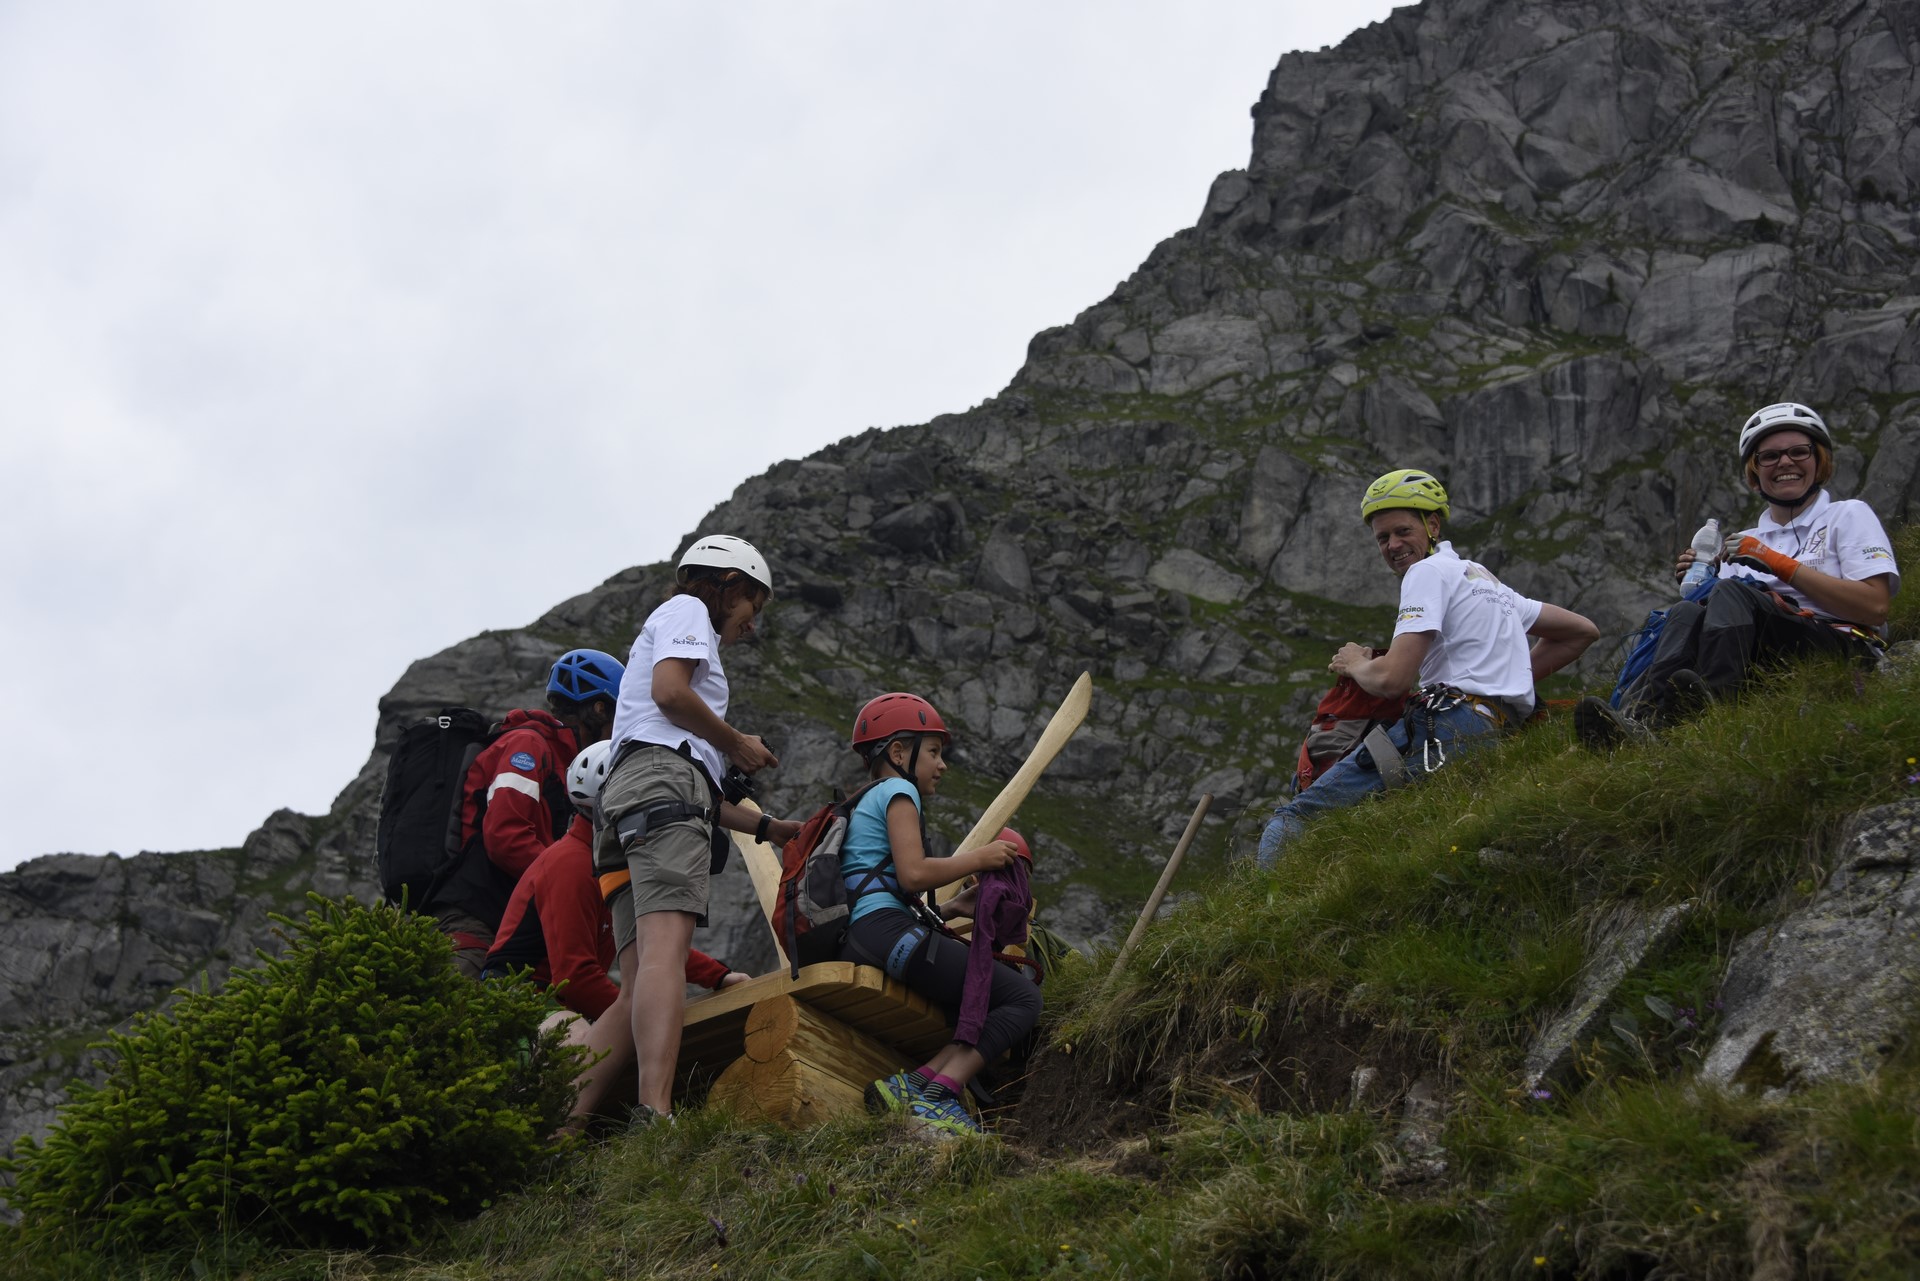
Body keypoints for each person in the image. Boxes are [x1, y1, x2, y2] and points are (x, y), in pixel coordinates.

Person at [1256, 469, 1598, 865]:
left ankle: (1258, 911)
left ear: (1432, 524)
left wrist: (1354, 664)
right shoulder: (1481, 578)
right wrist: (1502, 680)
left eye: (1402, 531)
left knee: (1295, 816)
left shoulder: (1425, 573)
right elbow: (1581, 632)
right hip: (1498, 732)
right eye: (1382, 538)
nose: (1393, 545)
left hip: (1448, 724)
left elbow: (1392, 680)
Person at [593, 534, 803, 1125]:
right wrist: (735, 742)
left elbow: (691, 791)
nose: (751, 624)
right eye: (751, 607)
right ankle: (655, 1113)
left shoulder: (665, 626)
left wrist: (769, 828)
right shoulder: (689, 611)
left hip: (627, 796)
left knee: (635, 984)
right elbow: (671, 695)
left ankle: (559, 1120)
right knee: (667, 954)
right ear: (727, 586)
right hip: (663, 787)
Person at [1577, 402, 1900, 746]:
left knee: (1732, 593)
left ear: (1819, 460)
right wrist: (1697, 587)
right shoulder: (1742, 543)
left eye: (1799, 452)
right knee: (1685, 611)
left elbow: (1875, 607)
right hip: (1763, 654)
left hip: (1844, 645)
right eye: (1770, 457)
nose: (1785, 463)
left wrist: (1779, 564)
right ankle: (1645, 722)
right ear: (1754, 472)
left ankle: (1717, 713)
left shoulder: (1847, 515)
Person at [484, 740, 746, 1130]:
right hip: (520, 994)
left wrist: (719, 975)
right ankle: (550, 1139)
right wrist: (644, 1012)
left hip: (556, 997)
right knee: (576, 1046)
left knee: (618, 1030)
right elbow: (574, 977)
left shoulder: (610, 862)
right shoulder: (569, 866)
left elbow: (651, 944)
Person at [838, 692, 1043, 1138]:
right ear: (898, 752)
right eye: (933, 751)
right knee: (1023, 999)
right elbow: (913, 875)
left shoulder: (865, 800)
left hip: (872, 933)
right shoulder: (898, 790)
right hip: (889, 932)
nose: (942, 764)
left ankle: (914, 1086)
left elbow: (887, 887)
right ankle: (940, 1094)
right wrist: (982, 859)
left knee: (981, 996)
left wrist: (950, 909)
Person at [425, 647, 627, 977]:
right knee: (452, 1023)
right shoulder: (528, 745)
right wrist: (570, 879)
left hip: (502, 924)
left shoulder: (565, 764)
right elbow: (506, 835)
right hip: (474, 923)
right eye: (618, 718)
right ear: (599, 708)